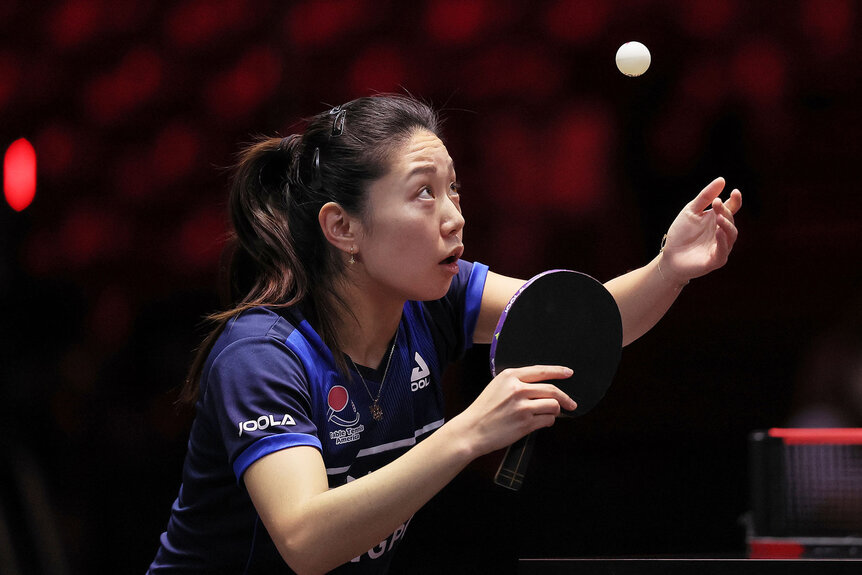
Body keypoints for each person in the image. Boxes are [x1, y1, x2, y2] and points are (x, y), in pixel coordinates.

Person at [147, 94, 741, 574]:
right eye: (424, 192)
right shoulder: (263, 355)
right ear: (342, 227)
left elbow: (580, 324)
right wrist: (470, 432)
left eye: (452, 188)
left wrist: (669, 268)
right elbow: (306, 539)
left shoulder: (436, 300)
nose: (455, 215)